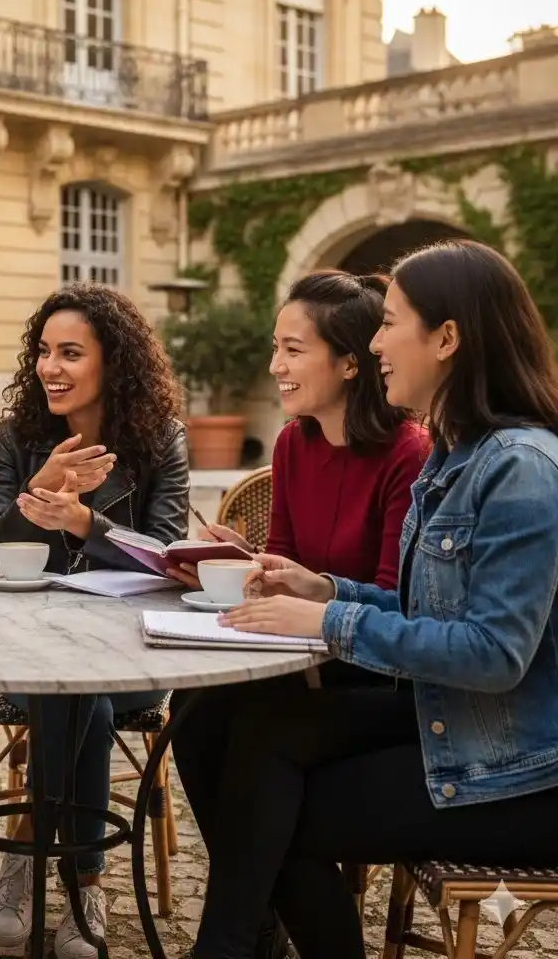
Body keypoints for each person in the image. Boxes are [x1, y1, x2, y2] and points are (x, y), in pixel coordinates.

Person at [189, 240, 558, 959]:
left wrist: (330, 619)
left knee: (268, 812)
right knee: (250, 729)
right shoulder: (462, 455)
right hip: (453, 717)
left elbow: (494, 654)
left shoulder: (521, 470)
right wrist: (324, 588)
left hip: (521, 769)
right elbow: (424, 614)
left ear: (447, 339)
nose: (377, 341)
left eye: (389, 323)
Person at [168, 270, 429, 957]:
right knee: (192, 713)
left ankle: (237, 937)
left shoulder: (408, 452)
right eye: (275, 347)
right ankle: (253, 929)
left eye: (291, 349)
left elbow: (396, 598)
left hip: (375, 673)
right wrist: (244, 562)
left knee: (260, 750)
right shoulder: (293, 444)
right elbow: (280, 564)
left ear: (349, 361)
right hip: (298, 656)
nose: (275, 366)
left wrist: (309, 590)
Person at [0, 283, 189, 958]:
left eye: (71, 353)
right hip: (33, 651)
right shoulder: (21, 436)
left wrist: (85, 522)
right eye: (43, 352)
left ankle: (35, 854)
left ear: (112, 363)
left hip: (132, 653)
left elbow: (168, 559)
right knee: (69, 691)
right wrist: (39, 492)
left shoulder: (160, 443)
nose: (50, 368)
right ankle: (78, 876)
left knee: (86, 691)